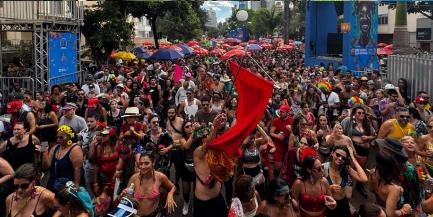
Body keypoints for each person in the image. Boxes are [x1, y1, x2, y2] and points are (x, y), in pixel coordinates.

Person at [193, 113, 229, 217]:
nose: (206, 137)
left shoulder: (215, 151)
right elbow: (208, 143)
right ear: (200, 139)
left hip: (218, 198)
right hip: (203, 204)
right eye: (203, 136)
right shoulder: (198, 152)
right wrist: (214, 127)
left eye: (207, 134)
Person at [323, 145, 368, 217]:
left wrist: (353, 158)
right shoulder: (323, 168)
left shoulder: (346, 168)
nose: (340, 158)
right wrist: (329, 188)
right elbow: (316, 189)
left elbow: (364, 179)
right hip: (330, 204)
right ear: (332, 153)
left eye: (343, 158)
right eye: (338, 155)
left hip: (343, 204)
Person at [369, 152, 413, 217]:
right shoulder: (393, 189)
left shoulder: (372, 172)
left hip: (377, 209)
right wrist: (404, 211)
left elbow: (371, 189)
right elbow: (390, 214)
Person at [43, 125, 84, 191]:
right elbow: (46, 167)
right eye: (57, 137)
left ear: (69, 137)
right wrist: (44, 153)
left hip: (67, 186)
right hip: (53, 184)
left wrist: (76, 186)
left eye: (61, 137)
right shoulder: (55, 148)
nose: (58, 139)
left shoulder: (75, 149)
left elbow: (78, 170)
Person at [269, 105, 293, 174]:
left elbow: (295, 133)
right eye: (280, 111)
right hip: (278, 146)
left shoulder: (292, 120)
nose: (280, 113)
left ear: (287, 113)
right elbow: (271, 133)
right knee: (278, 167)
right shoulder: (276, 120)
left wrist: (291, 130)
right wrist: (278, 136)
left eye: (283, 112)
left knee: (286, 167)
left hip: (287, 146)